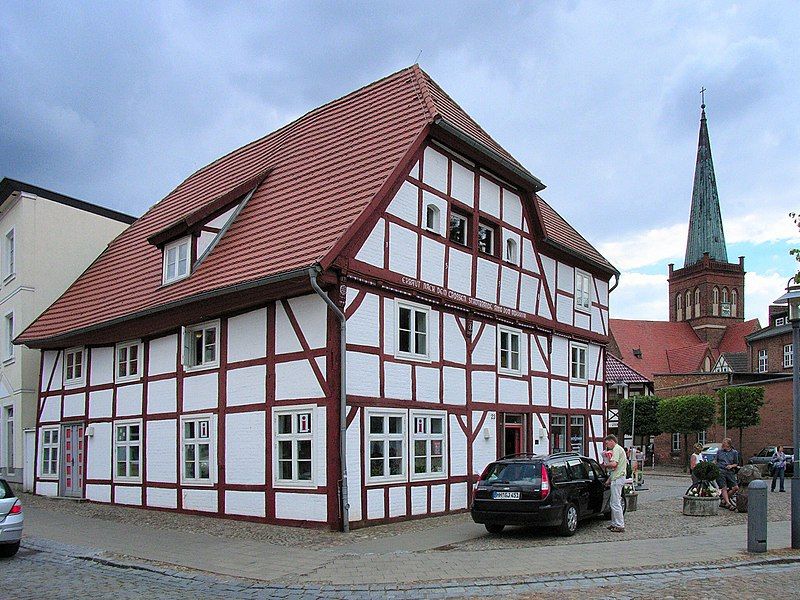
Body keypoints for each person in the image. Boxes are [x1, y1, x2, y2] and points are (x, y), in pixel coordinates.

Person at [602, 434, 628, 533]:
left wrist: (605, 464)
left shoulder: (616, 449)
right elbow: (616, 469)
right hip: (616, 477)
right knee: (613, 502)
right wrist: (609, 480)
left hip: (618, 479)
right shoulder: (618, 449)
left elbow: (614, 464)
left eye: (607, 443)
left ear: (612, 441)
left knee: (616, 502)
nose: (607, 445)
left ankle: (620, 525)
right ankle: (614, 523)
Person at [714, 438, 740, 511]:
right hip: (720, 471)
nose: (723, 445)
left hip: (730, 472)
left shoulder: (734, 452)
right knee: (724, 487)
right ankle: (728, 504)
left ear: (729, 445)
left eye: (724, 444)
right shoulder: (719, 452)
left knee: (735, 488)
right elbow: (715, 461)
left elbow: (736, 463)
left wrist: (731, 466)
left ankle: (723, 501)